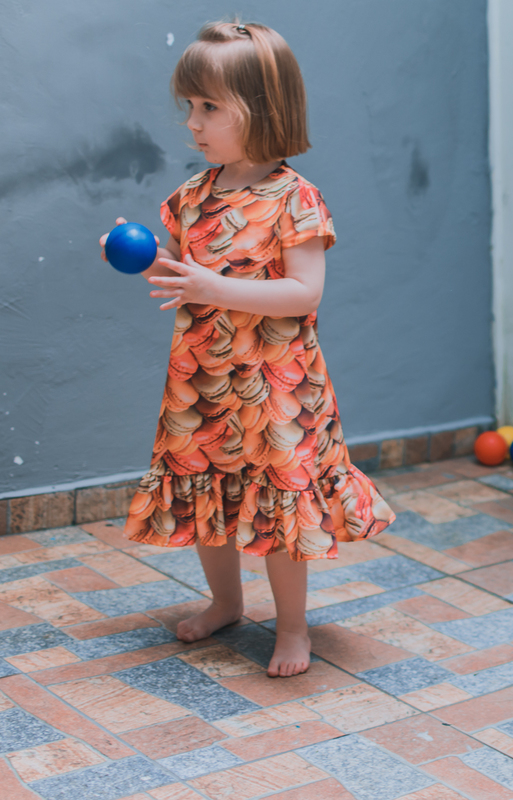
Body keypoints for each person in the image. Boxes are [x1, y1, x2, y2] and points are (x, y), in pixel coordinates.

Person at [100, 20, 395, 677]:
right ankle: (226, 602)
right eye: (190, 106)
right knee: (208, 492)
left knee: (279, 503)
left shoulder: (295, 199)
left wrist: (213, 286)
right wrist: (137, 254)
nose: (194, 123)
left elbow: (303, 293)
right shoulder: (192, 197)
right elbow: (177, 271)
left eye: (210, 107)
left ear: (262, 109)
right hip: (202, 381)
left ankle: (292, 628)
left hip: (277, 390)